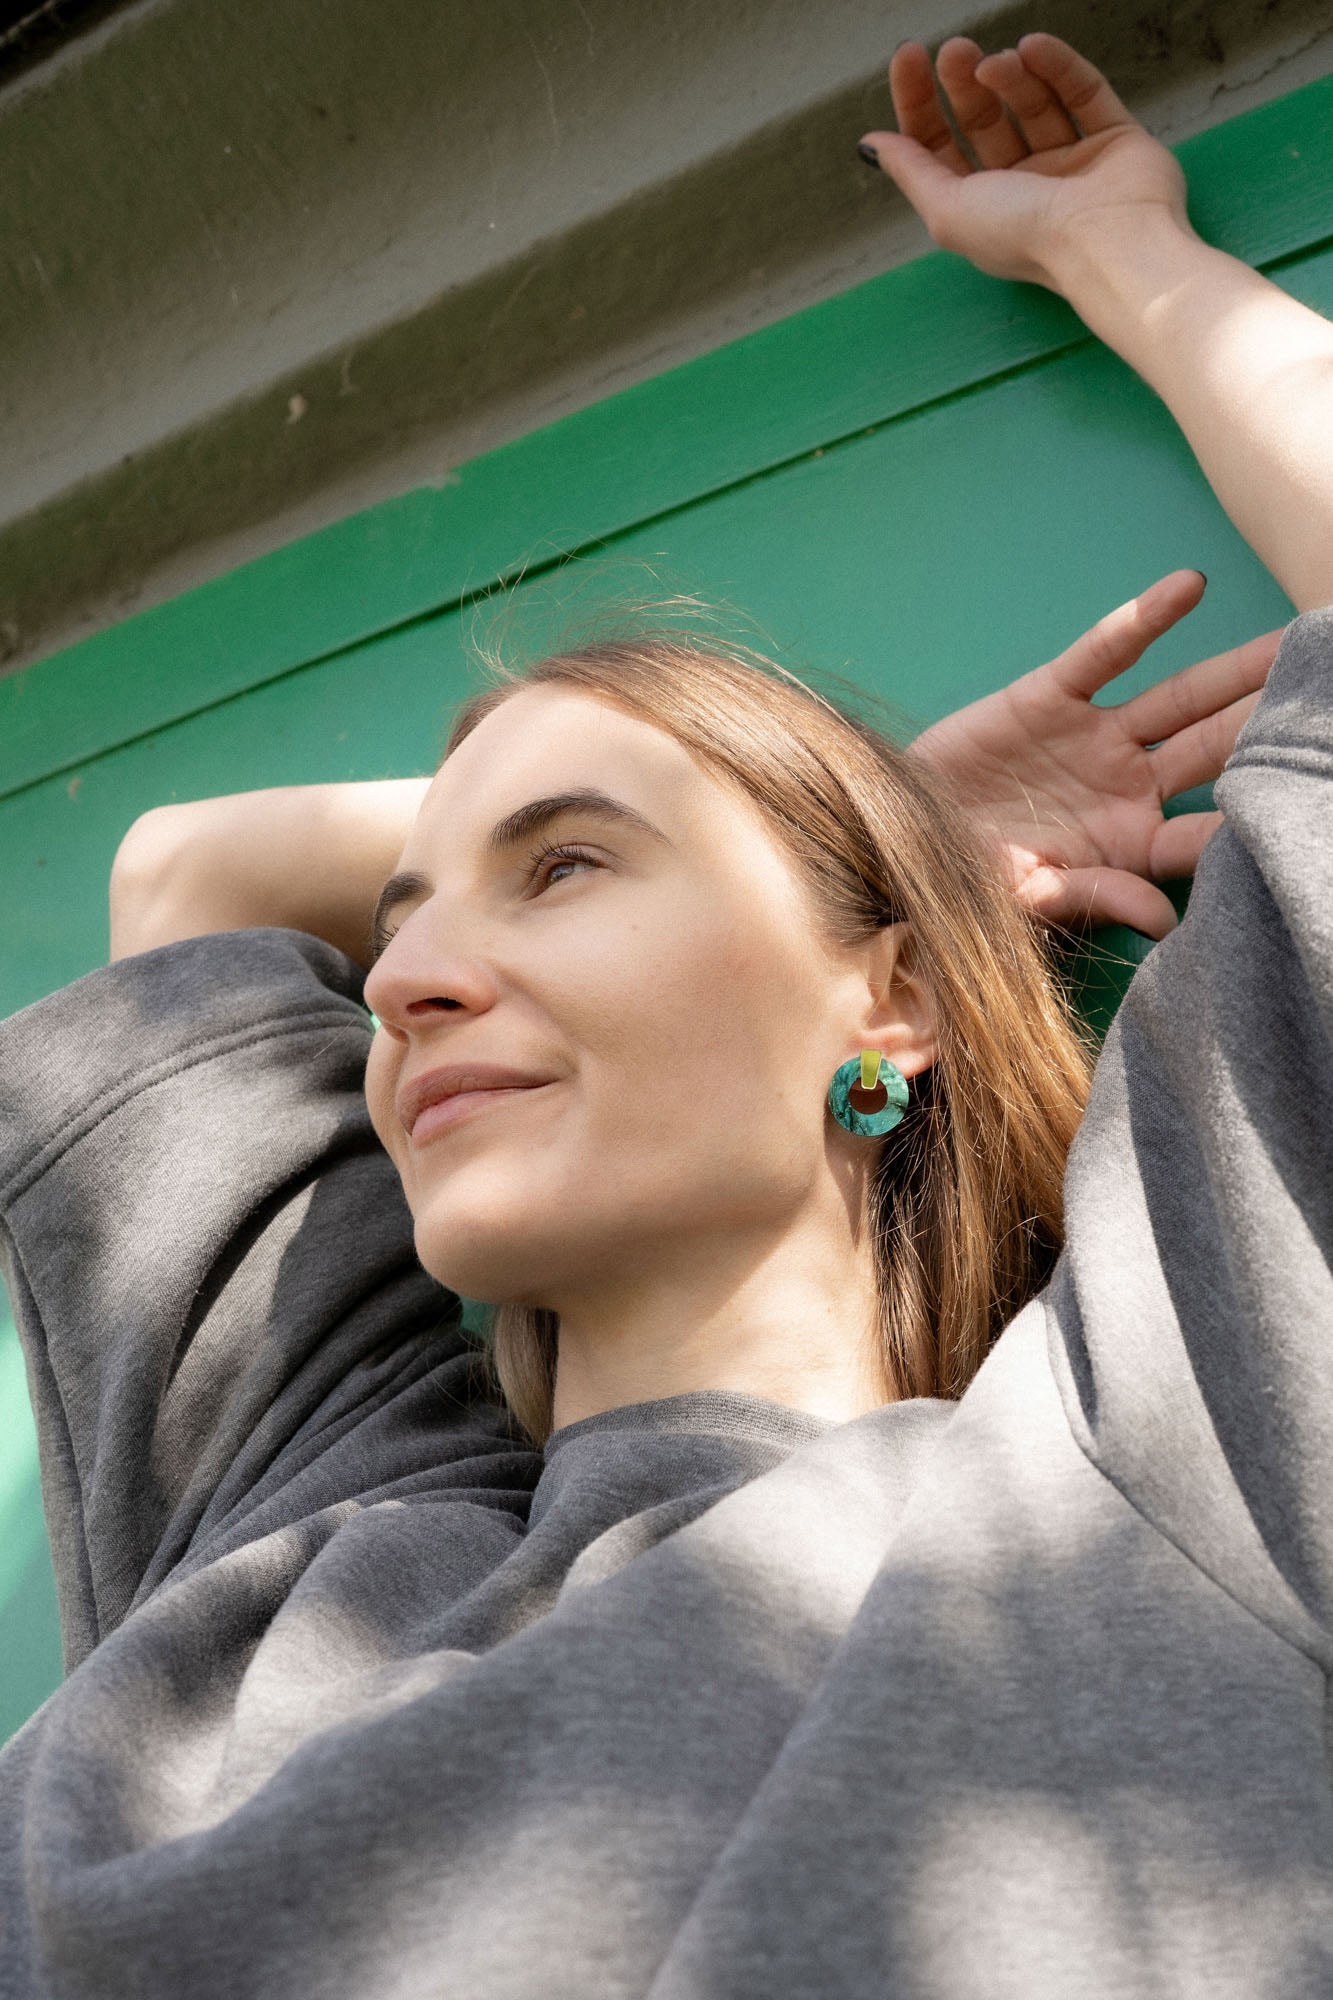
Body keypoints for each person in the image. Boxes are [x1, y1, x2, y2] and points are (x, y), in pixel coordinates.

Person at [0, 31, 1329, 1998]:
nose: (412, 979)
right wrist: (876, 824)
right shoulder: (294, 1537)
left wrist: (1122, 255)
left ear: (887, 1005)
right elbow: (183, 884)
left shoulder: (1136, 1462)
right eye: (404, 921)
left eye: (565, 867)